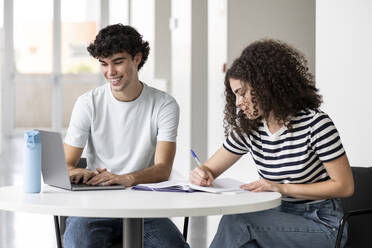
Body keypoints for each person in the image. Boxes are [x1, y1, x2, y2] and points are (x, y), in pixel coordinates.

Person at [190, 39, 354, 248]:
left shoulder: (316, 124)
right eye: (234, 96)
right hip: (277, 218)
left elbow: (345, 186)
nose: (238, 103)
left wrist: (282, 188)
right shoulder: (251, 128)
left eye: (241, 93)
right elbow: (209, 168)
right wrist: (202, 173)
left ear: (265, 86)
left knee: (238, 221)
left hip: (322, 224)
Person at [63, 24, 189, 248]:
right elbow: (65, 166)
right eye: (103, 63)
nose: (110, 72)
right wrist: (79, 172)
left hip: (146, 208)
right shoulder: (88, 103)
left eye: (118, 62)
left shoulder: (164, 105)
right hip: (96, 206)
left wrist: (126, 178)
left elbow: (163, 169)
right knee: (78, 243)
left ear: (137, 59)